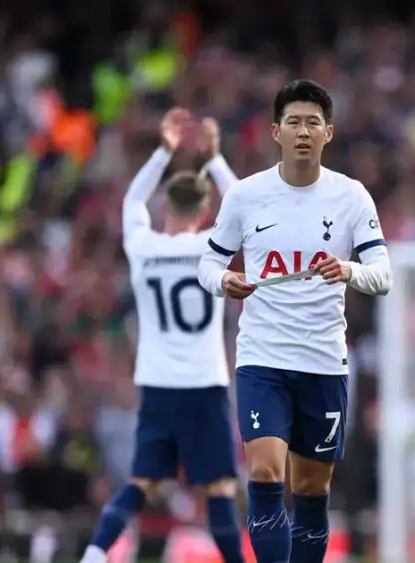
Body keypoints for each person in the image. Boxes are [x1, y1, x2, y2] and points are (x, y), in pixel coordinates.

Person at [197, 79, 392, 563]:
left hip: (323, 361)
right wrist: (224, 281)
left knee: (311, 489)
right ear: (276, 131)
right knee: (265, 472)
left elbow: (383, 275)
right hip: (262, 357)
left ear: (329, 132)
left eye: (312, 123)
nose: (303, 132)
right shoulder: (246, 195)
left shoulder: (351, 197)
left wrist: (349, 270)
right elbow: (207, 264)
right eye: (294, 122)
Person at [81, 108, 243, 563]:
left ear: (166, 208)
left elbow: (132, 201)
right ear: (205, 211)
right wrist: (214, 159)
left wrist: (163, 153)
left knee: (142, 483)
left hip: (157, 385)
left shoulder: (144, 247)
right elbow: (246, 208)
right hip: (205, 384)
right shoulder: (211, 248)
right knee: (219, 488)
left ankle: (94, 553)